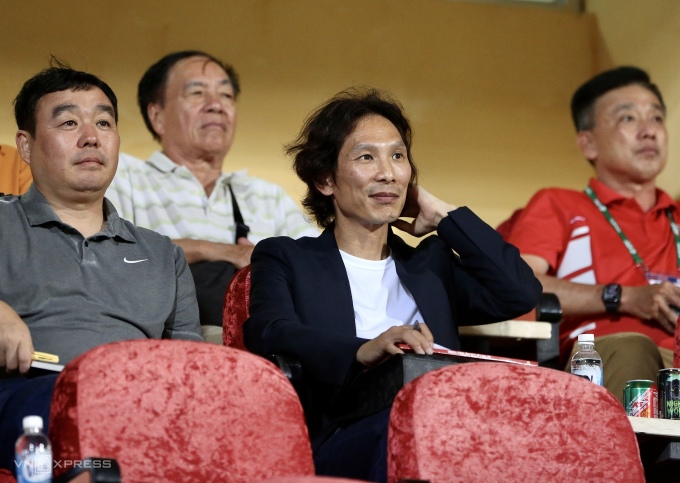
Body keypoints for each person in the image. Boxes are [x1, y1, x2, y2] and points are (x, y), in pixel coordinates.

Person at [243, 88, 542, 482]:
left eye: (398, 156)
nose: (388, 172)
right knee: (420, 432)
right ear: (325, 178)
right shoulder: (287, 258)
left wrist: (443, 216)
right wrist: (363, 350)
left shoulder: (429, 265)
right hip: (344, 433)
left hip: (447, 428)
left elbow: (519, 292)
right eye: (367, 156)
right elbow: (268, 330)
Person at [0, 62, 202, 474]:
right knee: (78, 417)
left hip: (141, 404)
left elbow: (190, 366)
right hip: (28, 396)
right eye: (69, 122)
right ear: (26, 145)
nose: (91, 137)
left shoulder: (163, 254)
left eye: (104, 123)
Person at [106, 51, 318, 335]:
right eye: (197, 92)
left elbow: (318, 268)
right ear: (157, 115)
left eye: (226, 96)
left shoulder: (268, 197)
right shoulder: (124, 175)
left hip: (258, 347)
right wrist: (226, 252)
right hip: (158, 342)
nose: (216, 105)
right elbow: (106, 254)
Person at [506, 66, 680, 404]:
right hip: (602, 359)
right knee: (634, 347)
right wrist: (626, 297)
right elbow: (517, 282)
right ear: (588, 143)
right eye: (628, 119)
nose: (649, 132)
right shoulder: (559, 204)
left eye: (656, 118)